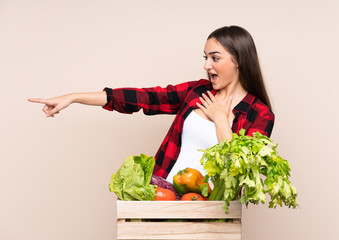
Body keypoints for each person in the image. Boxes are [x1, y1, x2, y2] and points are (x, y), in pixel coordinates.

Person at [28, 25, 274, 182]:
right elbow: (144, 98)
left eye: (215, 58)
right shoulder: (197, 91)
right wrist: (73, 97)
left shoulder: (259, 114)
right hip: (164, 195)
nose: (206, 65)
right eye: (205, 57)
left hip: (215, 211)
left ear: (239, 60)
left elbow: (241, 172)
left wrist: (221, 120)